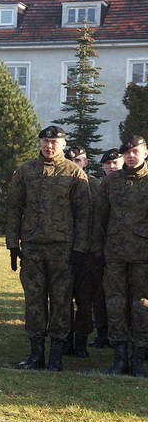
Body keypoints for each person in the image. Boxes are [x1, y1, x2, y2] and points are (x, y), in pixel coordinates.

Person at [7, 125, 90, 372]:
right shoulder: (25, 171)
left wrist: (80, 249)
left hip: (62, 249)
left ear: (63, 145)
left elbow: (83, 214)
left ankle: (56, 355)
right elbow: (13, 208)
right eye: (45, 141)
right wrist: (12, 244)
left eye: (54, 142)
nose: (49, 146)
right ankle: (35, 354)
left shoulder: (74, 174)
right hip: (32, 247)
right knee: (34, 300)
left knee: (61, 301)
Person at [94, 135, 148, 376]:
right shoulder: (111, 182)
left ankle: (138, 357)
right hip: (114, 254)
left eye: (136, 151)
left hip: (144, 255)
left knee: (142, 306)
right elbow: (99, 218)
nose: (131, 156)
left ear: (145, 153)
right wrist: (96, 251)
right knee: (115, 304)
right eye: (128, 153)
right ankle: (119, 357)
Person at [63, 145, 99, 357]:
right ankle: (65, 339)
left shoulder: (96, 186)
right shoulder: (59, 184)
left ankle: (81, 341)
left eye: (79, 161)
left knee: (85, 300)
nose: (75, 164)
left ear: (86, 162)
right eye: (71, 160)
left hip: (88, 253)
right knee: (62, 298)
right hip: (64, 250)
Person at [89, 148, 123, 347]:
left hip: (124, 250)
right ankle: (102, 333)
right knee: (99, 294)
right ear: (102, 166)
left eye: (115, 163)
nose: (111, 167)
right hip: (100, 249)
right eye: (108, 164)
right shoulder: (96, 186)